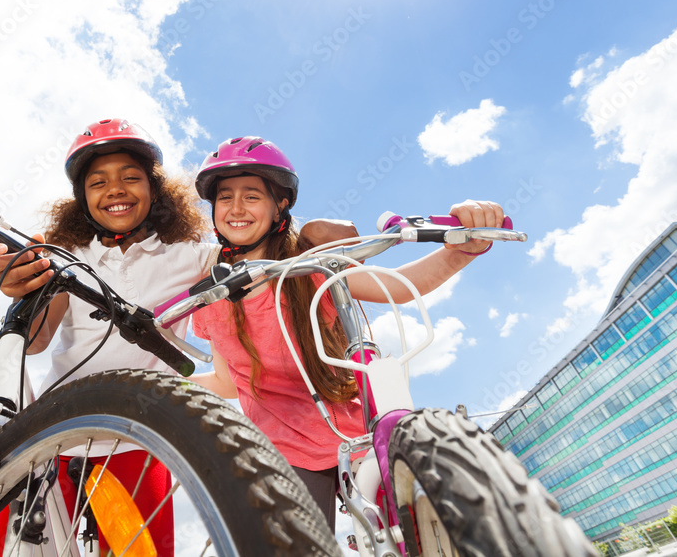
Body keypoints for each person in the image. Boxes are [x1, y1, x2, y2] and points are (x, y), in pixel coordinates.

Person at [0, 120, 353, 554]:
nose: (114, 189)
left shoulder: (191, 257)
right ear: (82, 199)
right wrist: (20, 282)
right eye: (97, 182)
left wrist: (316, 236)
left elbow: (258, 247)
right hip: (55, 431)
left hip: (138, 438)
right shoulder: (68, 257)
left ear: (155, 191)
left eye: (131, 178)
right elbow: (37, 341)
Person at [188, 135, 504, 529]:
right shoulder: (212, 294)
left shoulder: (307, 266)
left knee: (424, 528)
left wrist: (463, 248)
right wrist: (159, 385)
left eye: (251, 196)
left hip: (356, 433)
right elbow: (227, 380)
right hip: (284, 450)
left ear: (279, 204)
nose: (236, 208)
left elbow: (400, 286)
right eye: (224, 197)